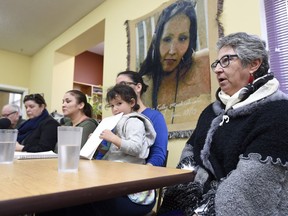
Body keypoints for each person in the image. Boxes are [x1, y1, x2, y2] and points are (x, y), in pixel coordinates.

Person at [157, 32, 288, 216]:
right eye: (217, 63)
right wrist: (183, 195)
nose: (218, 69)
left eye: (226, 60)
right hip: (193, 200)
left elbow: (250, 187)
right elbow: (190, 154)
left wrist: (201, 209)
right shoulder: (211, 111)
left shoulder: (278, 112)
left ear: (253, 64)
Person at [38, 85, 157, 216]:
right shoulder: (119, 122)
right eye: (112, 106)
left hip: (132, 188)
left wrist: (113, 138)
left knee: (79, 199)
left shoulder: (134, 121)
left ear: (132, 103)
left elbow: (136, 148)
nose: (115, 109)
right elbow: (115, 151)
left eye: (119, 104)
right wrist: (99, 144)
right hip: (116, 177)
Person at [139, 0, 211, 124]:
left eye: (182, 39)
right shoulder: (145, 84)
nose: (173, 51)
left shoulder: (202, 65)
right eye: (167, 39)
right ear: (157, 40)